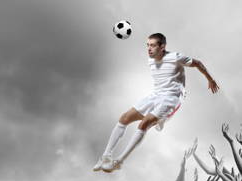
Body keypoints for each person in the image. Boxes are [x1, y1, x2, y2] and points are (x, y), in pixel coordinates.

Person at [93, 33, 219, 173]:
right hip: (155, 95)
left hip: (172, 98)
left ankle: (119, 162)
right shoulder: (151, 60)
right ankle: (105, 156)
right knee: (124, 118)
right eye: (147, 45)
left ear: (162, 47)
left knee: (144, 124)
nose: (149, 48)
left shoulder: (175, 57)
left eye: (152, 45)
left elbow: (198, 63)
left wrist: (210, 79)